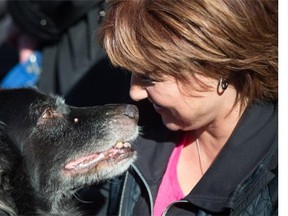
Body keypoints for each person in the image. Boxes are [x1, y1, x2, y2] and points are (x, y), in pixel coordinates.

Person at [95, 0, 278, 215]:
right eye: (131, 72)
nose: (134, 93)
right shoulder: (140, 130)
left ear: (217, 67)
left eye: (149, 77)